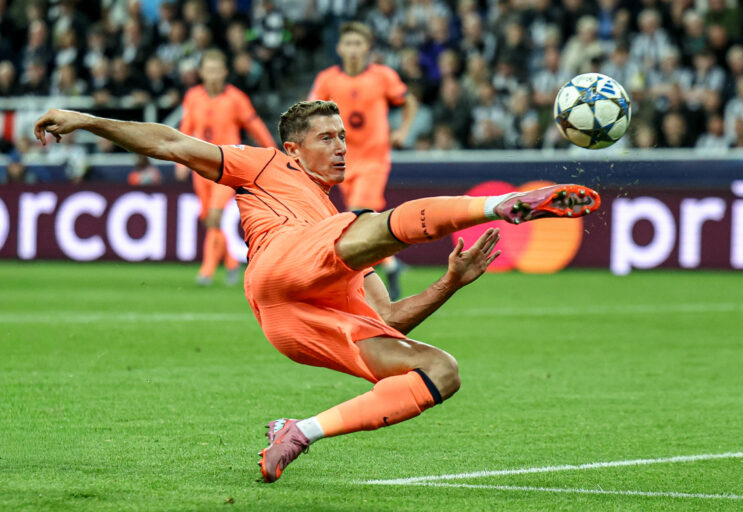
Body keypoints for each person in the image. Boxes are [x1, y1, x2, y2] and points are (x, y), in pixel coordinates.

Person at [33, 101, 600, 484]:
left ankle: (298, 432)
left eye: (343, 138)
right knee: (373, 225)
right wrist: (83, 120)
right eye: (326, 138)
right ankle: (498, 206)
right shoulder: (263, 166)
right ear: (292, 148)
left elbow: (389, 319)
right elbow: (169, 143)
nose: (340, 148)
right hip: (280, 266)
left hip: (297, 319)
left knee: (441, 371)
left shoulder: (341, 230)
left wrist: (450, 282)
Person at [309, 22, 418, 300]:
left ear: (367, 48)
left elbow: (409, 101)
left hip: (374, 158)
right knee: (363, 220)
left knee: (357, 215)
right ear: (339, 48)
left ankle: (363, 285)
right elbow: (310, 112)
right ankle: (391, 266)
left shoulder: (383, 76)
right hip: (342, 161)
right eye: (349, 44)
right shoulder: (328, 79)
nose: (354, 49)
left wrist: (404, 130)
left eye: (359, 44)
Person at [175, 48, 277, 286]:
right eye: (208, 70)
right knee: (208, 219)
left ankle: (206, 271)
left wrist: (271, 151)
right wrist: (179, 160)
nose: (212, 75)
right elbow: (186, 126)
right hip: (199, 165)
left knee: (214, 214)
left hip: (227, 166)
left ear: (224, 72)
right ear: (201, 72)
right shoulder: (193, 96)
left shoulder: (236, 98)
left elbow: (255, 125)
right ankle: (230, 262)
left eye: (216, 70)